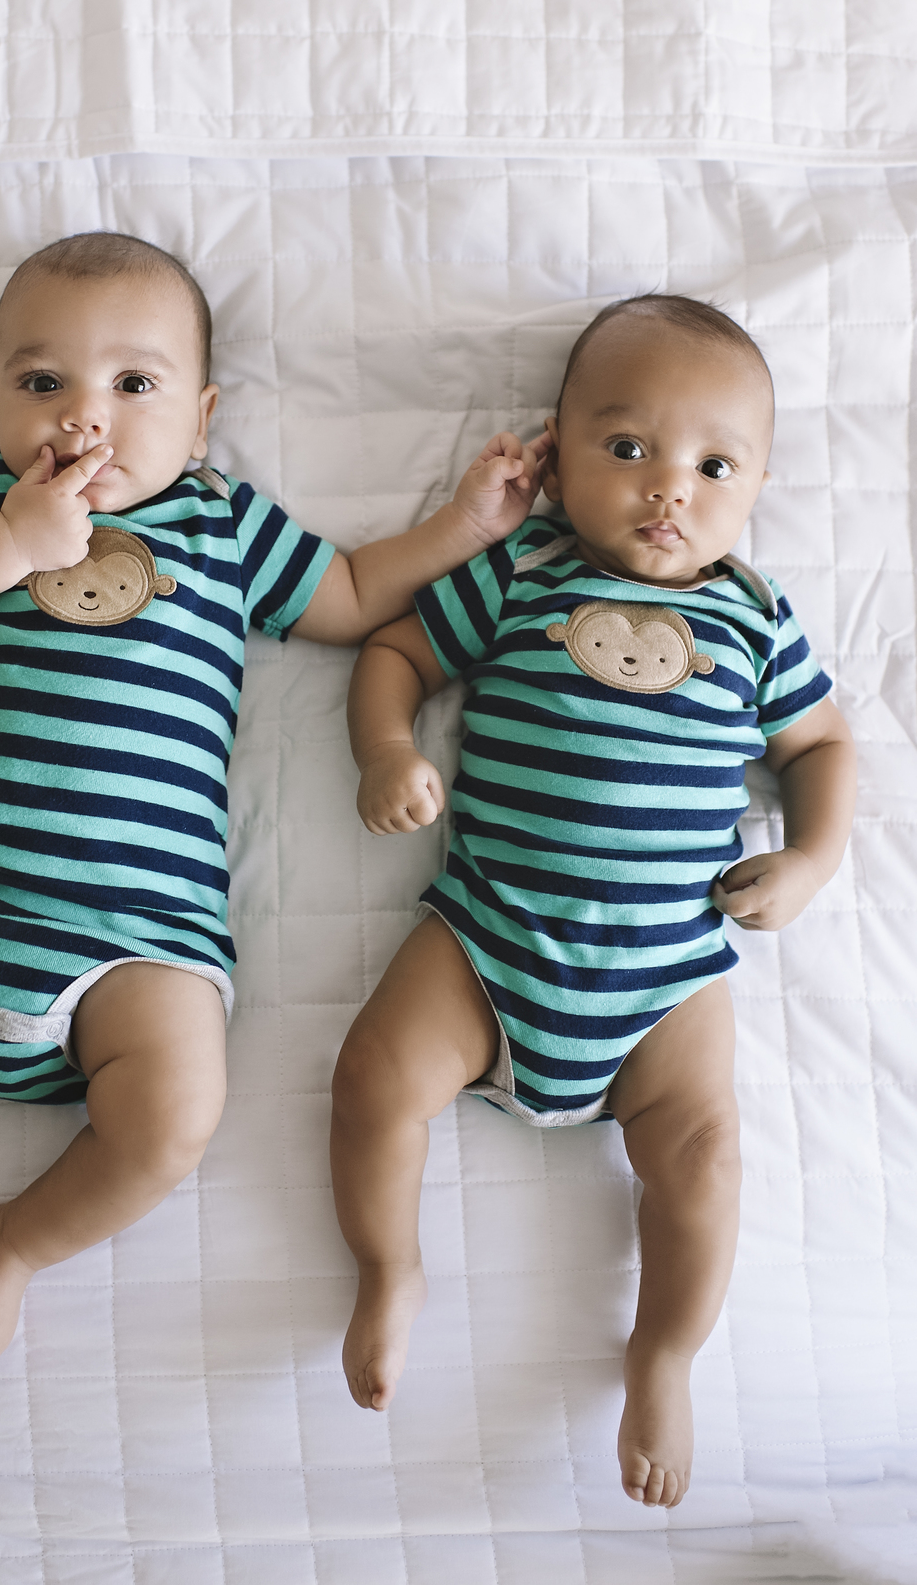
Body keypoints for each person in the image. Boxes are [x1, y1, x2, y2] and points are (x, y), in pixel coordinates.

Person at [0, 232, 549, 1384]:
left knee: (176, 1114)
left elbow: (354, 594)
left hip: (141, 941)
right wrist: (6, 542)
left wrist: (466, 528)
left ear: (204, 415)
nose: (84, 418)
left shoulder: (222, 523)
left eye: (134, 385)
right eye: (42, 384)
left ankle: (19, 1241)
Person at [331, 294, 856, 1508]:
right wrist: (386, 752)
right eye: (628, 449)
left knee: (708, 1156)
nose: (670, 488)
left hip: (668, 973)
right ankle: (390, 1264)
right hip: (486, 937)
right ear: (556, 457)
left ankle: (662, 1351)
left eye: (713, 465)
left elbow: (824, 748)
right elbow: (393, 651)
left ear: (758, 484)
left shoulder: (757, 615)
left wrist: (814, 858)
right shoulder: (522, 574)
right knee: (372, 1078)